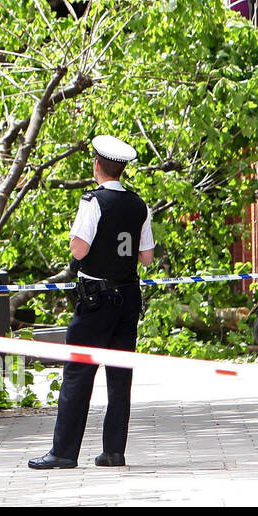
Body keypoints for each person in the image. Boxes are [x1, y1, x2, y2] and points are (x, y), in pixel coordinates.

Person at [29, 136, 154, 470]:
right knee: (119, 376)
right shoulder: (139, 204)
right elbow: (147, 257)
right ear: (122, 169)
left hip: (97, 299)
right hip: (128, 297)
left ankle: (64, 452)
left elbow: (79, 250)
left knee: (77, 374)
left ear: (97, 166)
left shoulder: (92, 201)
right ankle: (114, 451)